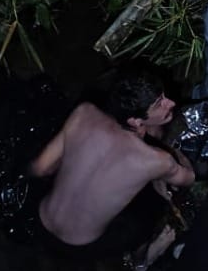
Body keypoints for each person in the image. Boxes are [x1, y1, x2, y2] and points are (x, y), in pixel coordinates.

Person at [29, 65, 195, 257]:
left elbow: (40, 168)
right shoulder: (158, 160)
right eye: (159, 104)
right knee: (154, 205)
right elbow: (189, 179)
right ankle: (143, 258)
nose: (170, 103)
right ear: (135, 121)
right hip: (79, 244)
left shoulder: (84, 113)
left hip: (42, 218)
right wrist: (175, 152)